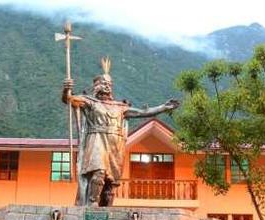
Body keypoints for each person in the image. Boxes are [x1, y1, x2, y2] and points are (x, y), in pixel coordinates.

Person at [62, 57, 179, 206]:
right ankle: (92, 203)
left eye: (109, 84)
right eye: (104, 83)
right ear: (96, 86)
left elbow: (142, 112)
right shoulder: (90, 102)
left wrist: (163, 107)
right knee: (99, 173)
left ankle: (107, 208)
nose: (107, 86)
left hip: (115, 145)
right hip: (97, 139)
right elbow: (69, 99)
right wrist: (66, 89)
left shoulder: (119, 107)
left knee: (111, 181)